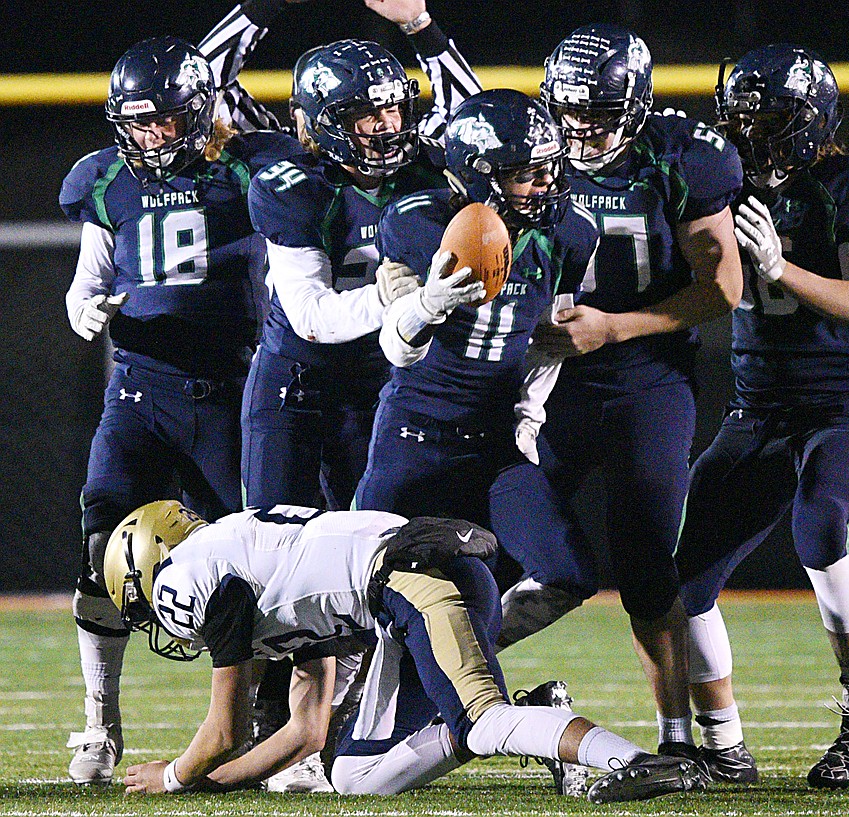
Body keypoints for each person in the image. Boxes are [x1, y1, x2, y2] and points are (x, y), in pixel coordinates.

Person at [655, 45, 849, 789]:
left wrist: (781, 270)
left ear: (810, 121)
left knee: (822, 527)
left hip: (845, 401)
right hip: (758, 407)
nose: (754, 137)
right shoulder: (720, 185)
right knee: (687, 572)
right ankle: (722, 743)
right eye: (741, 122)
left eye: (769, 123)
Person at [239, 2, 481, 789]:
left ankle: (351, 725)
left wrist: (422, 27)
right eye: (363, 113)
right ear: (318, 124)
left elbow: (483, 119)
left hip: (382, 385)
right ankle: (288, 728)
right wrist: (407, 303)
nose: (384, 125)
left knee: (373, 558)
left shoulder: (423, 165)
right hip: (297, 388)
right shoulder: (293, 184)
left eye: (391, 106)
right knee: (287, 566)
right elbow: (309, 318)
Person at [492, 24, 743, 775]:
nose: (582, 130)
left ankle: (679, 737)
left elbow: (722, 289)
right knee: (497, 549)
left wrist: (614, 328)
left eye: (600, 114)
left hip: (644, 378)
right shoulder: (528, 150)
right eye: (571, 112)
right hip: (542, 379)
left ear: (635, 106)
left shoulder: (680, 158)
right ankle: (439, 697)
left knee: (646, 563)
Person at [60, 19, 305, 785]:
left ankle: (268, 727)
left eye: (167, 116)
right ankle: (100, 720)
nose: (154, 135)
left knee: (248, 565)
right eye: (139, 121)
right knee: (101, 552)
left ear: (202, 111)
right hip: (138, 388)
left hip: (234, 390)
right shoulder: (103, 178)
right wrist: (83, 307)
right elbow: (86, 280)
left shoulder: (247, 165)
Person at [100, 501, 703, 802]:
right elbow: (307, 732)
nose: (155, 616)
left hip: (414, 581)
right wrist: (213, 784)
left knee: (484, 720)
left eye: (140, 601)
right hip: (401, 597)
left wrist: (176, 777)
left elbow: (225, 726)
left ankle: (636, 760)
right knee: (355, 773)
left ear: (153, 561)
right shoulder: (263, 566)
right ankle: (537, 712)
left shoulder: (190, 573)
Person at [354, 87, 600, 793]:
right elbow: (397, 347)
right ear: (478, 171)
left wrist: (527, 422)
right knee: (369, 603)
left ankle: (457, 667)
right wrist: (428, 305)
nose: (546, 183)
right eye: (528, 171)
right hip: (412, 438)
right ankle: (333, 735)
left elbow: (548, 340)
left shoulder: (570, 230)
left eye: (550, 167)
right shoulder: (417, 218)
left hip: (494, 442)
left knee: (566, 570)